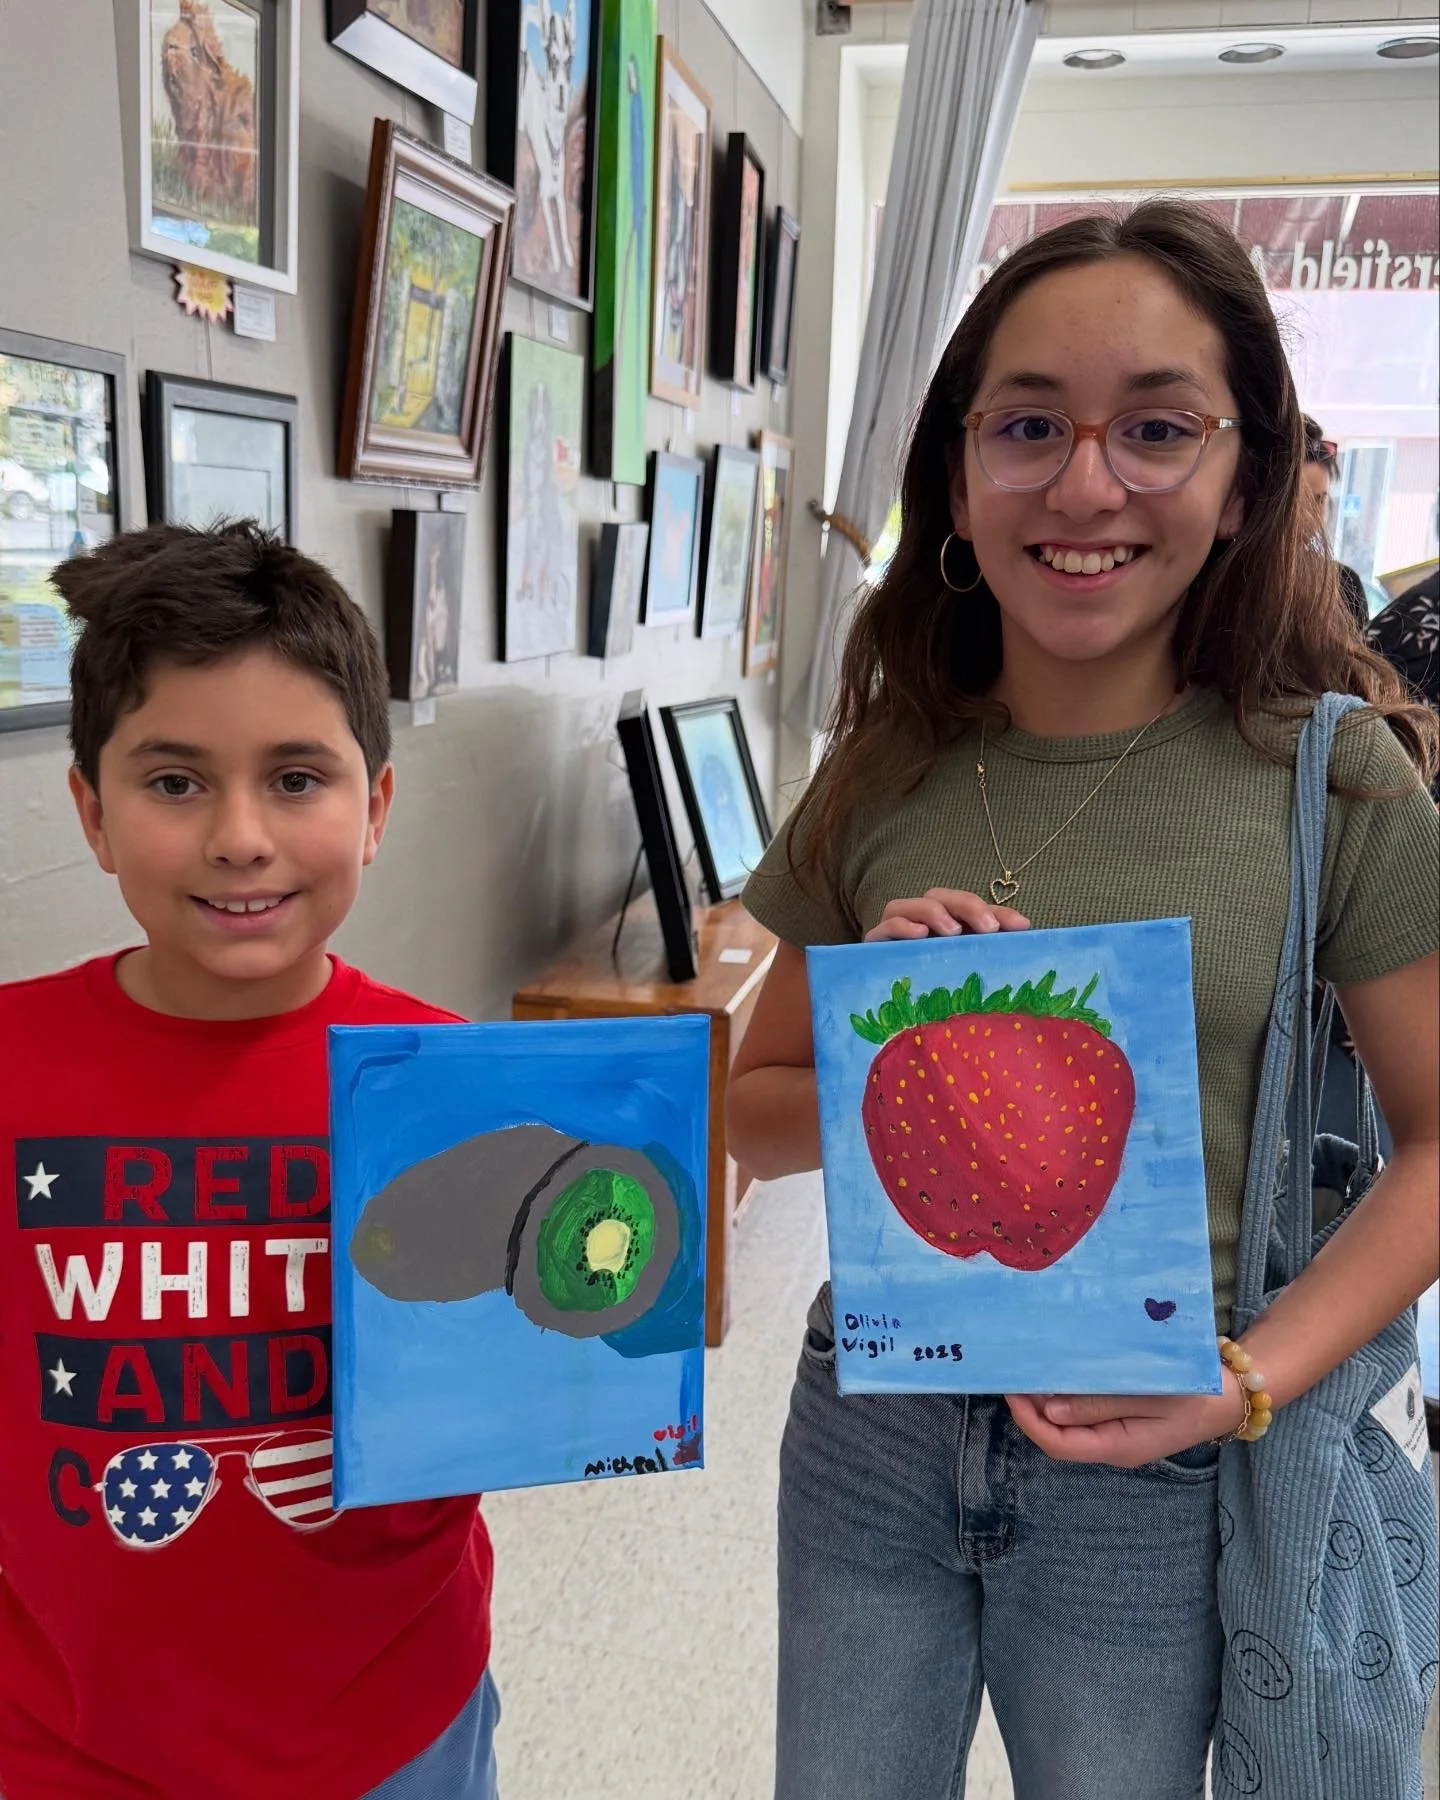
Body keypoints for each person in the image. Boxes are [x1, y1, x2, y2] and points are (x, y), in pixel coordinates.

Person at [727, 201, 1439, 1798]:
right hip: (874, 1424)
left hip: (1163, 1448)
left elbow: (1439, 1141)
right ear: (961, 481)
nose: (1087, 483)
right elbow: (751, 1118)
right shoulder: (886, 763)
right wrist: (880, 1038)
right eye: (1030, 424)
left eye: (1159, 429)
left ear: (1248, 475)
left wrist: (1249, 1375)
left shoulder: (1333, 777)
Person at [0, 523, 499, 1800]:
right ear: (91, 813)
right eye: (174, 782)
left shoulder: (462, 1088)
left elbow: (542, 1367)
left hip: (393, 1723)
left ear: (374, 807)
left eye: (295, 779)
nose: (238, 837)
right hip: (68, 1739)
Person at [1301, 414, 1370, 631]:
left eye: (1319, 500)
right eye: (1297, 501)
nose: (1310, 516)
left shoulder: (1344, 586)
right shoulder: (1225, 579)